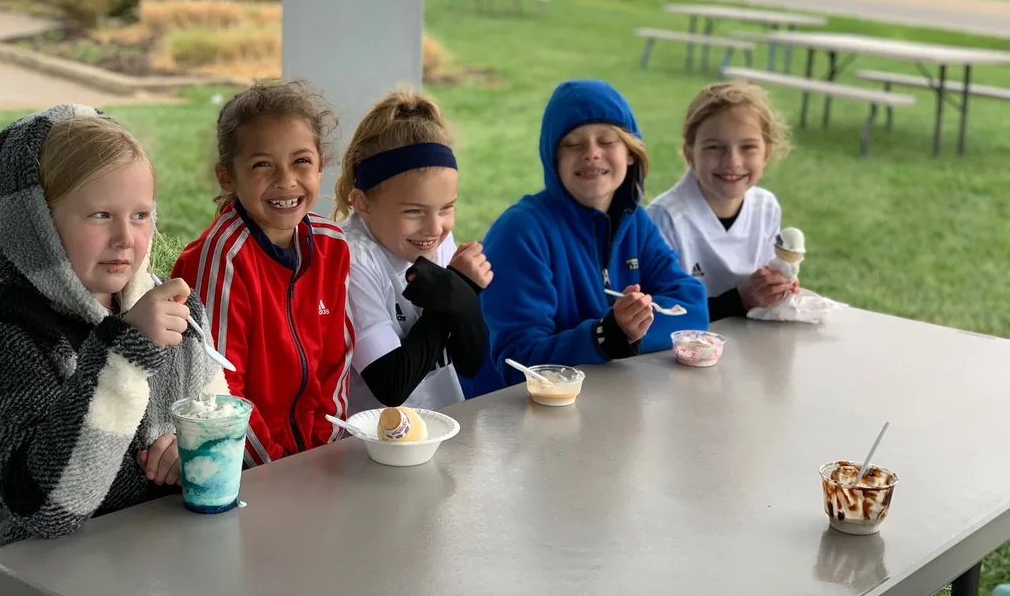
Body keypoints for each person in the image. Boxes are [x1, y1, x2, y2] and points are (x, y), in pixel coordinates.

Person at [0, 106, 226, 555]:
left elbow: (220, 421)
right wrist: (126, 354)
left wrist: (197, 450)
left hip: (158, 549)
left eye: (140, 215)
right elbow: (44, 509)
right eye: (100, 215)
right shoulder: (8, 333)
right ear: (36, 224)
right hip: (38, 567)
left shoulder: (175, 308)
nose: (126, 238)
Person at [480, 78, 709, 386]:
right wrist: (605, 336)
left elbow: (692, 310)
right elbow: (517, 362)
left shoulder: (636, 223)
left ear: (630, 153)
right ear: (553, 159)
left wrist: (629, 333)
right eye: (572, 144)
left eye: (607, 140)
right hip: (522, 410)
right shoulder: (520, 232)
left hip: (613, 399)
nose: (591, 153)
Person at [172, 80, 353, 467]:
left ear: (321, 166)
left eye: (301, 161)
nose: (286, 180)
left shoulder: (332, 245)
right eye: (262, 165)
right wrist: (274, 471)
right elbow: (217, 390)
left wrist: (326, 450)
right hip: (240, 466)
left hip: (312, 460)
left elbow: (334, 365)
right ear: (227, 177)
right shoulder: (221, 258)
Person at [332, 89, 491, 412]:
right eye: (414, 211)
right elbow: (391, 385)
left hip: (440, 423)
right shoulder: (351, 259)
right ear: (363, 204)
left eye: (446, 208)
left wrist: (462, 296)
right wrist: (452, 291)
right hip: (373, 436)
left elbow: (471, 361)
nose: (435, 227)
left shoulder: (436, 241)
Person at [647, 80, 795, 322]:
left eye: (748, 147)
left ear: (766, 153)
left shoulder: (766, 208)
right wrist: (739, 300)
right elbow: (659, 313)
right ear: (690, 154)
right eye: (715, 147)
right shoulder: (663, 220)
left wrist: (776, 286)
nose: (732, 162)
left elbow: (765, 287)